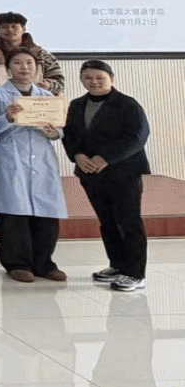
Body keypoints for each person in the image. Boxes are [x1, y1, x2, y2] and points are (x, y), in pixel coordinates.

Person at [63, 60, 150, 292]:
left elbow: (137, 136)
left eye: (100, 77)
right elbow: (69, 135)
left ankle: (135, 273)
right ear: (81, 80)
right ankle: (117, 265)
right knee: (107, 221)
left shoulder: (127, 104)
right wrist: (77, 155)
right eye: (88, 78)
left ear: (111, 78)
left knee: (128, 222)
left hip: (123, 172)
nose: (94, 82)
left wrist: (106, 158)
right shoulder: (76, 105)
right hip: (90, 173)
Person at [0, 47, 67, 283]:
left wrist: (54, 132)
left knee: (47, 211)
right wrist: (7, 118)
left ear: (37, 68)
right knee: (14, 213)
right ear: (8, 69)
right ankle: (17, 263)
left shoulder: (47, 97)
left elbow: (60, 129)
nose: (24, 67)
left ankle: (44, 263)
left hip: (42, 158)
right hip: (12, 158)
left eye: (29, 63)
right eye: (18, 63)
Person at [0, 12, 64, 96]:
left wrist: (49, 85)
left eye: (14, 26)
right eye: (4, 27)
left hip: (38, 105)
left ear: (23, 29)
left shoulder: (43, 56)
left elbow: (60, 83)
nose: (10, 30)